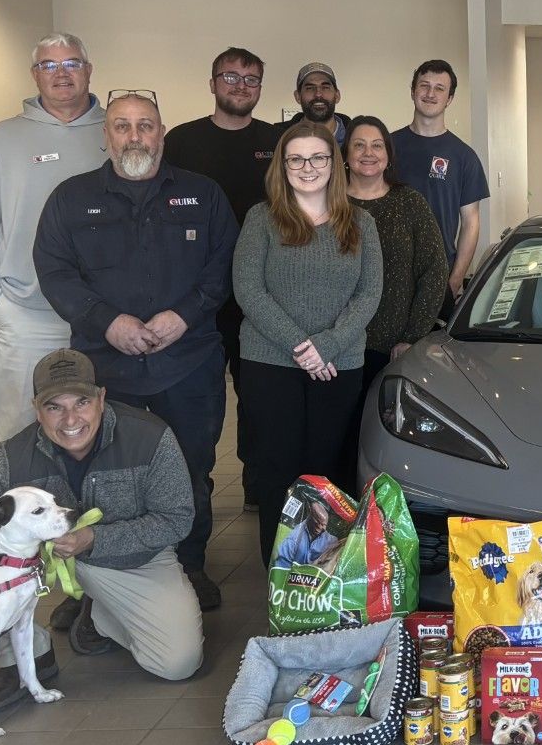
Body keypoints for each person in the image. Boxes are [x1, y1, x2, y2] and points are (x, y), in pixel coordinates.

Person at [0, 349, 201, 702]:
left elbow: (177, 519)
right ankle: (25, 653)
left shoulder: (150, 438)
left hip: (129, 560)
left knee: (177, 663)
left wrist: (95, 539)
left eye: (82, 402)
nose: (70, 419)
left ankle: (98, 613)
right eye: (55, 406)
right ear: (36, 409)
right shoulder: (14, 456)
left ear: (102, 399)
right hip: (35, 561)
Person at [32, 92, 237, 611]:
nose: (134, 136)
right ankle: (94, 581)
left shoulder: (203, 194)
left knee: (191, 468)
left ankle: (189, 565)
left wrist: (184, 314)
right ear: (106, 135)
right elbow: (55, 272)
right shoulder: (70, 199)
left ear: (161, 133)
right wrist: (109, 323)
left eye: (145, 126)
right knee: (100, 474)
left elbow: (225, 264)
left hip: (187, 362)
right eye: (122, 126)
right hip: (106, 369)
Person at [234, 121, 382, 560]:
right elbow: (248, 291)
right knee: (276, 472)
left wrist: (329, 345)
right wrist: (304, 348)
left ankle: (327, 579)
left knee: (330, 474)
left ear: (334, 164)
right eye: (295, 158)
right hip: (270, 365)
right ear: (282, 166)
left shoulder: (360, 222)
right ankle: (279, 576)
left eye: (318, 157)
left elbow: (368, 293)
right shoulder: (261, 219)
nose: (307, 167)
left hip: (339, 365)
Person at [0, 32, 108, 449]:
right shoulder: (3, 138)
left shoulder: (116, 131)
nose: (62, 74)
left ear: (89, 71)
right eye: (50, 66)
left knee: (95, 427)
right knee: (17, 428)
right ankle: (8, 512)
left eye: (72, 64)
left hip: (103, 314)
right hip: (28, 312)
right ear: (34, 75)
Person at [164, 46, 281, 508]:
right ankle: (193, 490)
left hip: (260, 295)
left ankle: (257, 486)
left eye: (250, 79)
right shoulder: (182, 141)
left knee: (257, 397)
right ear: (212, 83)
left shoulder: (275, 141)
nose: (240, 86)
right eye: (230, 77)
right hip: (195, 296)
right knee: (201, 400)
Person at [344, 116, 449, 399]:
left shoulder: (409, 202)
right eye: (359, 145)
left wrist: (412, 337)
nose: (369, 153)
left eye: (377, 146)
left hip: (393, 348)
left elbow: (434, 271)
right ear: (346, 154)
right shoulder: (328, 204)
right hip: (337, 348)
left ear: (388, 155)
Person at [389, 59, 489, 313]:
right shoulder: (386, 148)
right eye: (424, 86)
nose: (430, 94)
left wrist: (454, 282)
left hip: (438, 276)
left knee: (432, 352)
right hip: (387, 273)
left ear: (450, 98)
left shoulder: (464, 156)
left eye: (439, 88)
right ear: (413, 91)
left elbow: (470, 223)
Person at [293, 61, 353, 147]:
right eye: (310, 88)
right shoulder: (278, 138)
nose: (318, 94)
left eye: (325, 87)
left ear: (337, 95)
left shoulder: (356, 138)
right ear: (298, 96)